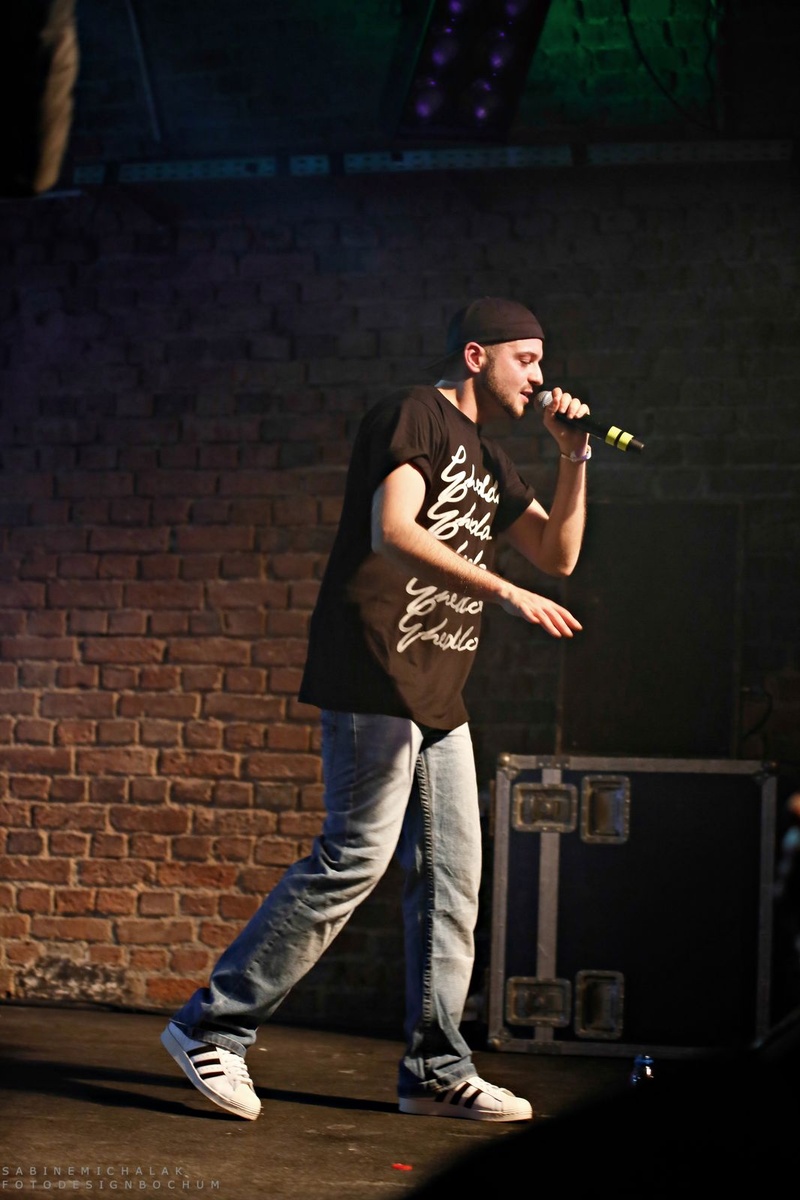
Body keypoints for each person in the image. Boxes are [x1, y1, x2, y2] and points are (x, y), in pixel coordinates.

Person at [160, 296, 591, 1123]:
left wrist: (574, 456)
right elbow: (393, 529)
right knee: (355, 856)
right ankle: (211, 1026)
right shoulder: (415, 413)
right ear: (477, 356)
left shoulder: (494, 460)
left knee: (453, 879)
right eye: (527, 359)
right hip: (375, 669)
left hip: (437, 689)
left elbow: (559, 554)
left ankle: (436, 1069)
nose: (540, 376)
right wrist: (504, 591)